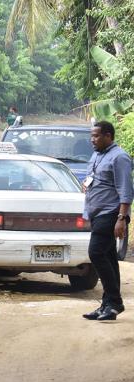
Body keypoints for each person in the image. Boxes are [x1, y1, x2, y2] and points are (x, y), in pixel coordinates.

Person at [82, 121, 133, 321]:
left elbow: (126, 190)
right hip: (96, 213)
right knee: (109, 257)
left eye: (96, 136)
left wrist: (121, 218)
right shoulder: (97, 154)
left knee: (95, 253)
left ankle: (115, 301)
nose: (92, 140)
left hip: (110, 213)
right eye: (91, 136)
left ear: (108, 135)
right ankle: (108, 305)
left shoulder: (120, 157)